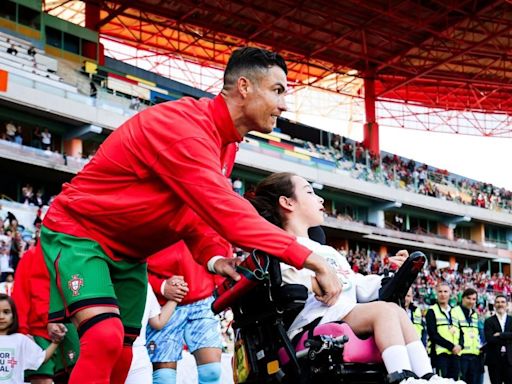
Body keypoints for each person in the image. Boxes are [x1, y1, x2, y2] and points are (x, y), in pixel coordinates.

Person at [39, 47, 341, 384]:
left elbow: (193, 215)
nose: (284, 105)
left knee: (123, 350)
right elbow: (227, 213)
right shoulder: (186, 128)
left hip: (130, 254)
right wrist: (313, 260)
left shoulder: (226, 143)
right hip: (81, 234)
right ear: (244, 86)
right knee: (104, 338)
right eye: (278, 90)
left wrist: (216, 259)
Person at [247, 172, 463, 384]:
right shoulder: (282, 245)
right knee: (384, 310)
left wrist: (392, 276)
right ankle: (402, 378)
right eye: (310, 192)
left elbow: (356, 283)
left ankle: (426, 376)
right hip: (312, 319)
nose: (320, 198)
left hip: (344, 311)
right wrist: (313, 281)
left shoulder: (328, 251)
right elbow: (282, 277)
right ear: (287, 203)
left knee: (395, 310)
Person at [146, 242, 223, 384]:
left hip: (202, 297)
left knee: (212, 371)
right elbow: (127, 261)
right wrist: (160, 286)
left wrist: (221, 284)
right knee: (164, 379)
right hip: (162, 303)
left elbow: (216, 238)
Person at [12, 246, 79, 384]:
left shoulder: (73, 253)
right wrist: (21, 332)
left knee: (75, 376)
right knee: (42, 380)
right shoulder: (31, 255)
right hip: (36, 331)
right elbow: (20, 296)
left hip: (68, 328)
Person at [0, 294, 61, 383]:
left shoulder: (20, 340)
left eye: (6, 312)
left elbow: (41, 358)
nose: (1, 317)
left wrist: (56, 342)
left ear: (14, 316)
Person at [125, 284, 178, 384]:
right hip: (138, 356)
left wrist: (176, 295)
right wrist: (177, 296)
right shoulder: (145, 284)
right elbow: (158, 322)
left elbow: (158, 322)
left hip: (132, 355)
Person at [426, 282, 463, 380]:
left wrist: (460, 345)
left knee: (455, 381)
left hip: (455, 354)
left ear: (450, 293)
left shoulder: (455, 311)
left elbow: (461, 331)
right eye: (440, 291)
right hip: (440, 355)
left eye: (445, 291)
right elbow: (433, 334)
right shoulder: (431, 311)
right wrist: (451, 346)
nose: (443, 294)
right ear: (436, 294)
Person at [452, 288, 481, 384]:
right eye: (468, 298)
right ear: (463, 298)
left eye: (474, 299)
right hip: (461, 354)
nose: (471, 301)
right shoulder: (455, 311)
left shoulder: (474, 314)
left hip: (474, 354)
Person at [484, 294, 512, 384]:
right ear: (494, 305)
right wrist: (509, 337)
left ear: (507, 304)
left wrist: (500, 334)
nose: (500, 304)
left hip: (510, 360)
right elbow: (490, 339)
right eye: (498, 302)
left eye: (503, 302)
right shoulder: (488, 321)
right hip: (494, 361)